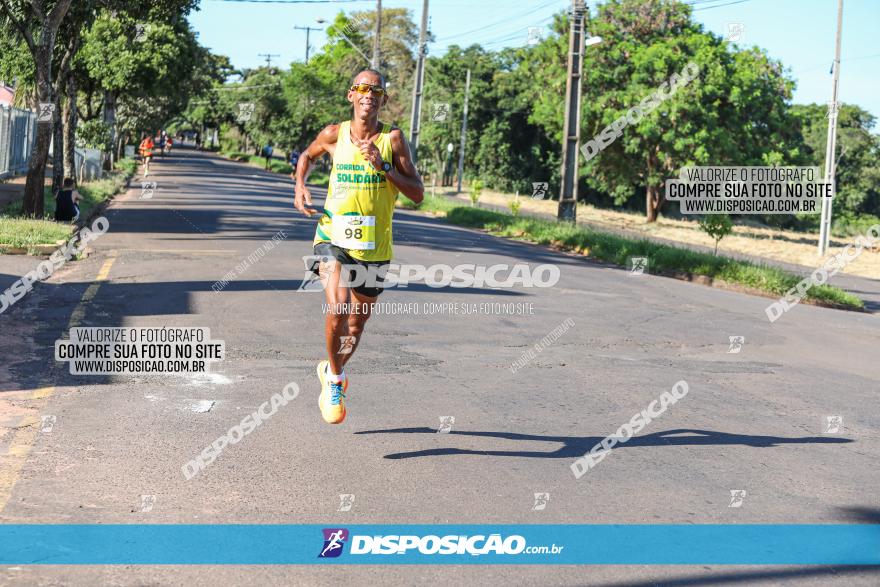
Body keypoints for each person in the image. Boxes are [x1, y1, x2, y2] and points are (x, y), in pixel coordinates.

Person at [294, 68, 424, 424]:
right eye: (362, 88)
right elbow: (306, 156)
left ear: (382, 99)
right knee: (337, 308)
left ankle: (331, 370)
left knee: (355, 328)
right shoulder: (333, 134)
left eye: (376, 90)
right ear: (351, 95)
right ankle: (335, 381)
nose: (368, 94)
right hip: (332, 237)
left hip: (374, 248)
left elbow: (417, 194)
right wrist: (300, 185)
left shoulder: (393, 140)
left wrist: (383, 167)